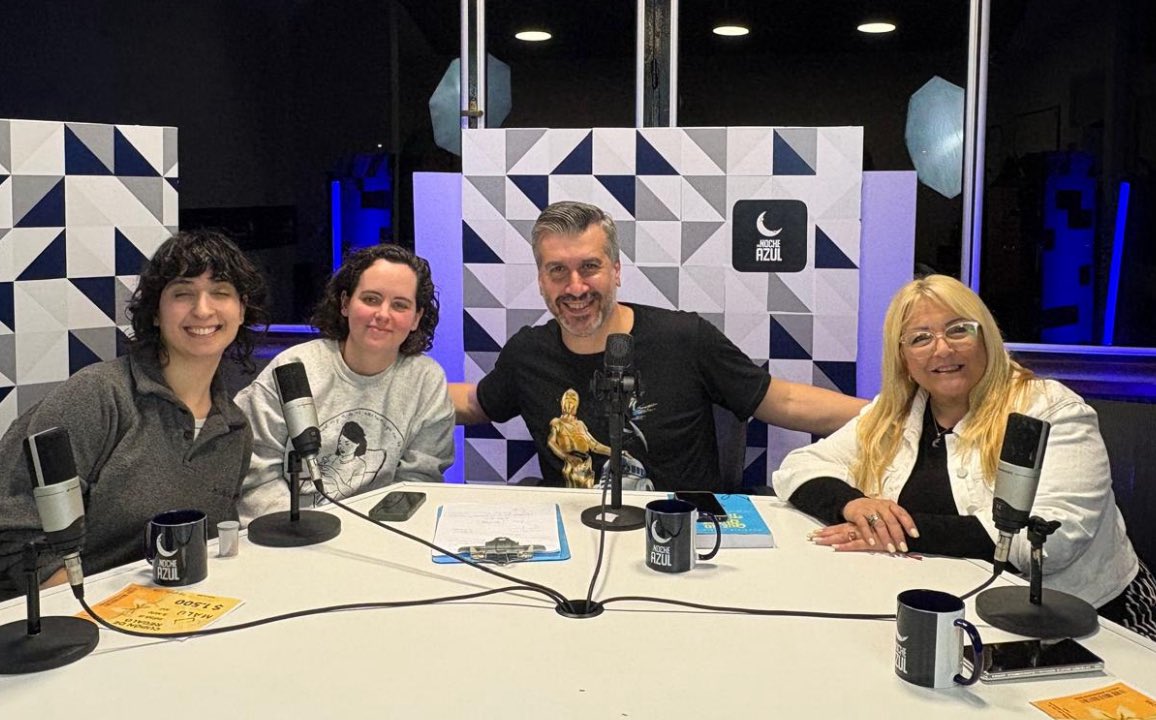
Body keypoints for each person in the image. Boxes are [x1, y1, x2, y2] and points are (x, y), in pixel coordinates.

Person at [774, 274, 1155, 639]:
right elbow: (797, 468)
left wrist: (896, 532)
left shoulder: (1050, 409)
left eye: (959, 330)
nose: (942, 349)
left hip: (1087, 619)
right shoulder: (895, 413)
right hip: (953, 609)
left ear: (986, 337)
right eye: (920, 338)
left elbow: (1052, 540)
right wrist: (856, 506)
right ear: (903, 358)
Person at [450, 200, 866, 493]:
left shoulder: (684, 338)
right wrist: (388, 382)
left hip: (680, 539)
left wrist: (899, 414)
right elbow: (474, 403)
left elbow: (787, 401)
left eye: (589, 267)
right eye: (558, 270)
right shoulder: (528, 354)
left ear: (616, 271)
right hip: (575, 544)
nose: (575, 287)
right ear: (541, 279)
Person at [0, 230, 268, 600]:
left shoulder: (234, 431)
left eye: (220, 292)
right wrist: (94, 618)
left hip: (169, 613)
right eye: (182, 293)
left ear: (241, 310)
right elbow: (17, 536)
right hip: (72, 619)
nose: (203, 310)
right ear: (156, 314)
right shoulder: (98, 397)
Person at [237, 244, 454, 522]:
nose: (383, 314)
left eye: (400, 305)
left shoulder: (426, 380)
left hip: (377, 535)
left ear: (416, 318)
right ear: (345, 303)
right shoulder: (292, 368)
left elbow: (417, 482)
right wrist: (306, 533)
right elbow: (256, 475)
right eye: (371, 299)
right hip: (290, 533)